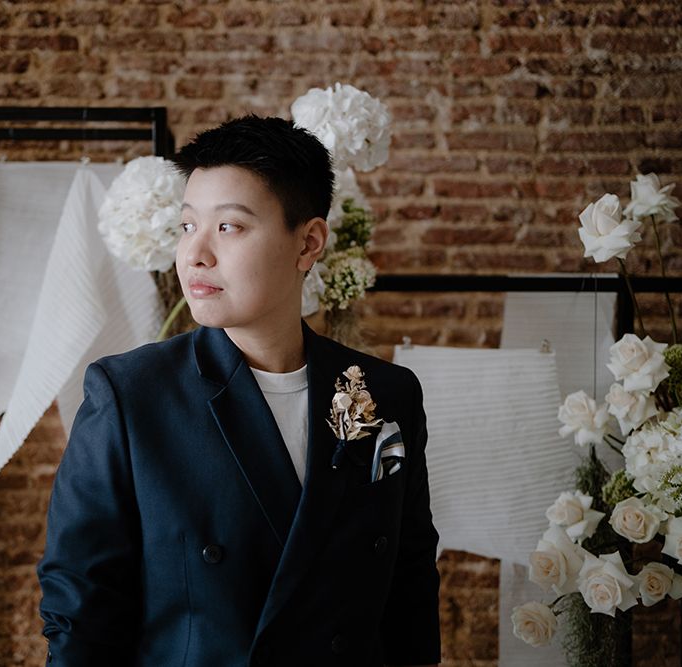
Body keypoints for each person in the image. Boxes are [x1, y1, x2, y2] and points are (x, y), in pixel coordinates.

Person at [37, 115, 441, 667]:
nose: (196, 254)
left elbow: (409, 587)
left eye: (229, 227)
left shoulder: (388, 393)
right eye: (186, 226)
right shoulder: (130, 397)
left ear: (309, 242)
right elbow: (81, 613)